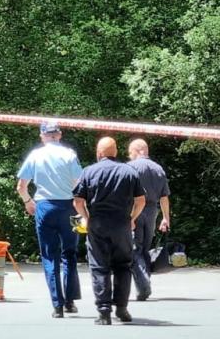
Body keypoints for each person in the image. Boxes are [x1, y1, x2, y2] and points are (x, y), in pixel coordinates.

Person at [73, 137, 145, 326]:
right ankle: (121, 309)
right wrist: (132, 218)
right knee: (123, 265)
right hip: (122, 223)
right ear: (115, 152)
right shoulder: (129, 171)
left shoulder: (88, 172)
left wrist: (87, 218)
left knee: (99, 266)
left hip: (98, 224)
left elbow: (77, 202)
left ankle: (104, 312)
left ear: (99, 153)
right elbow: (141, 201)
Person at [17, 121, 82, 318]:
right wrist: (82, 210)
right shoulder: (70, 154)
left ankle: (57, 305)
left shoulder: (35, 155)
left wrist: (28, 202)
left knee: (49, 255)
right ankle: (70, 301)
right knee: (70, 253)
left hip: (44, 207)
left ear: (43, 136)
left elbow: (21, 185)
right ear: (59, 134)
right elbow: (79, 184)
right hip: (70, 207)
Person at [128, 138, 171, 301]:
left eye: (130, 152)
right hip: (152, 211)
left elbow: (128, 195)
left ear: (138, 150)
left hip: (136, 210)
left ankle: (143, 284)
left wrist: (130, 216)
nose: (129, 155)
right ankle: (145, 282)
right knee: (145, 248)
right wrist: (165, 218)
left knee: (134, 249)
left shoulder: (130, 168)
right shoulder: (158, 169)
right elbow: (164, 197)